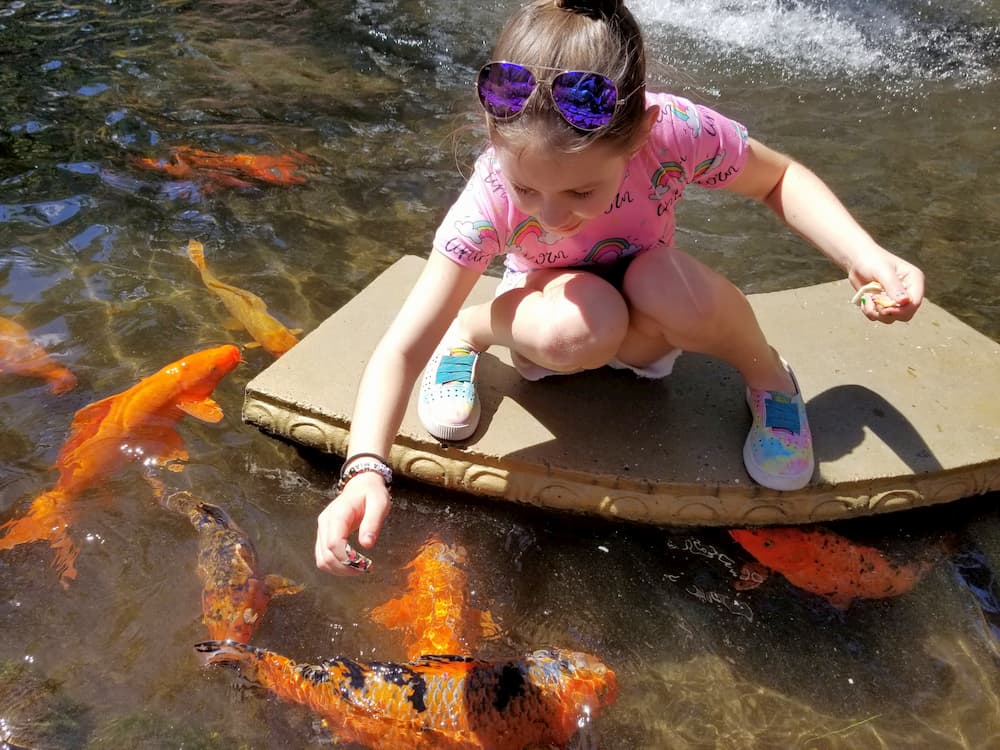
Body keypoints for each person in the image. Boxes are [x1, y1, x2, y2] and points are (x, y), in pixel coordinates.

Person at [315, 0, 925, 575]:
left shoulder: (673, 132)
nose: (551, 216)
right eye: (529, 190)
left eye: (581, 192)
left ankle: (770, 379)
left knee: (660, 280)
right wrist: (365, 468)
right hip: (552, 318)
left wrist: (863, 254)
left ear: (640, 135)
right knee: (576, 327)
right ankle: (471, 331)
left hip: (647, 315)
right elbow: (401, 348)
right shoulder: (490, 195)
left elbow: (778, 178)